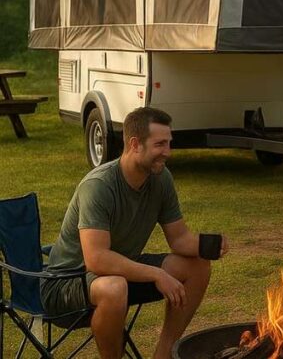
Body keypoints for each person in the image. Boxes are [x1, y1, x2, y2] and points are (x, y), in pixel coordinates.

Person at [41, 107, 228, 359]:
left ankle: (163, 355)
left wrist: (210, 244)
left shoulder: (160, 179)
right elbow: (96, 259)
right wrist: (156, 274)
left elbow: (180, 239)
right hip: (66, 284)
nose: (168, 152)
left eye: (169, 143)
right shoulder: (99, 186)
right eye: (160, 144)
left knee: (197, 267)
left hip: (118, 273)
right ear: (135, 144)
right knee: (115, 288)